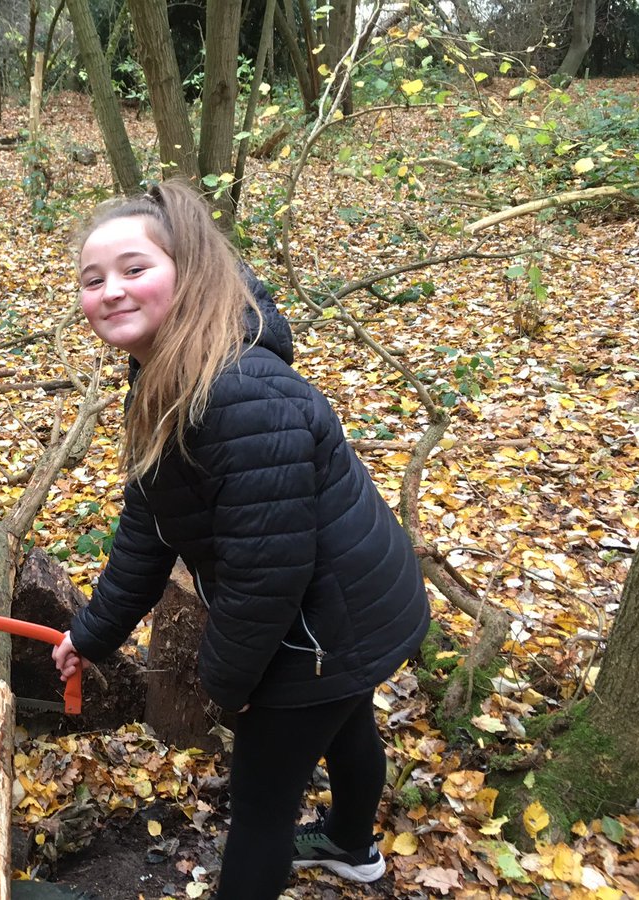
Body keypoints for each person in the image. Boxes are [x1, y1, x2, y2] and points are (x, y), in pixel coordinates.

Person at [52, 182, 430, 900]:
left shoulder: (237, 393)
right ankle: (354, 847)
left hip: (326, 624)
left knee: (261, 808)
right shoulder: (166, 368)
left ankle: (343, 845)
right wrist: (93, 633)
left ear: (189, 272)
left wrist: (228, 687)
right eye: (92, 278)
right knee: (347, 721)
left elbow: (266, 575)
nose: (110, 291)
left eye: (135, 269)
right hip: (348, 613)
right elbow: (150, 519)